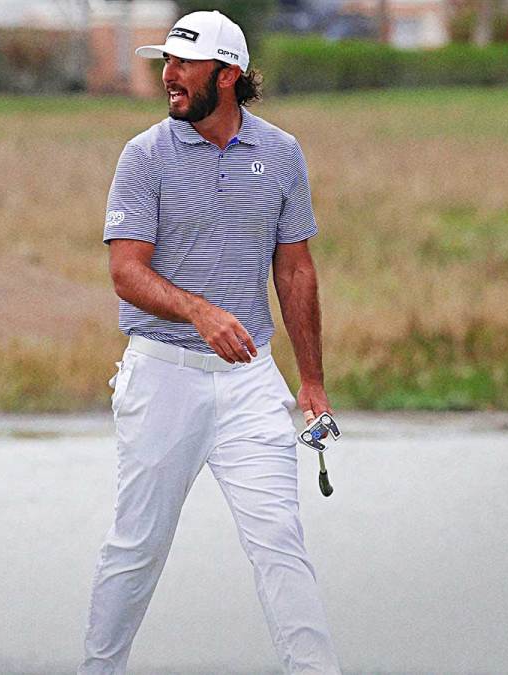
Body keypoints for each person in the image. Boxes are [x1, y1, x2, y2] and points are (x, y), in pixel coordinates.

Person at [79, 11, 339, 674]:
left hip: (251, 374)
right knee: (137, 548)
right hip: (163, 373)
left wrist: (310, 382)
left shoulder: (282, 154)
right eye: (165, 62)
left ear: (226, 76)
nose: (167, 75)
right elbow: (126, 270)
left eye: (183, 65)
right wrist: (198, 312)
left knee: (281, 539)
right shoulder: (145, 156)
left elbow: (295, 268)